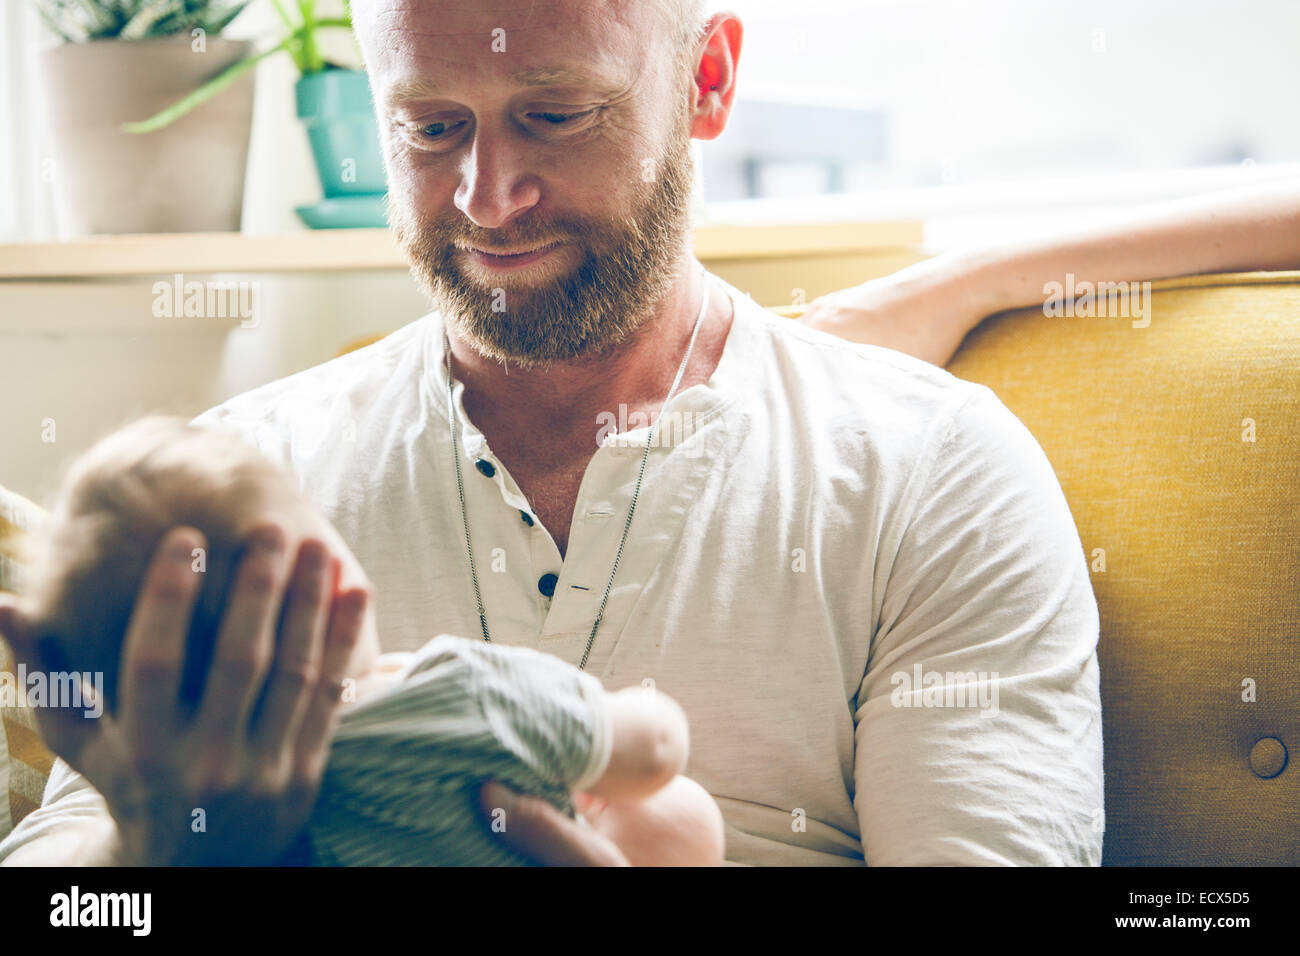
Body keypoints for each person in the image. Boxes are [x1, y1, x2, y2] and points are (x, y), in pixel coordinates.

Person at [1, 0, 1111, 866]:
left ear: (706, 80)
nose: (488, 197)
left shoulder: (931, 475)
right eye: (431, 128)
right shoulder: (235, 493)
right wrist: (161, 852)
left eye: (555, 114)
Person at [14, 416, 725, 866]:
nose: (491, 191)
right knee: (674, 812)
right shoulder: (461, 690)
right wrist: (150, 853)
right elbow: (655, 746)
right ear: (339, 588)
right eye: (436, 160)